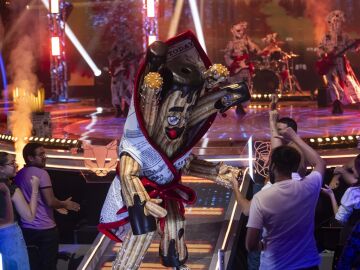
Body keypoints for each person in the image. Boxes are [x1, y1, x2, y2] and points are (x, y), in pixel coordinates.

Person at [246, 127, 325, 270]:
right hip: (308, 265)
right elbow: (319, 162)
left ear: (273, 166)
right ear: (296, 165)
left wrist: (262, 245)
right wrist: (294, 136)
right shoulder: (309, 187)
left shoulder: (261, 198)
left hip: (275, 266)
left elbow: (250, 244)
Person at [15, 143, 80, 270]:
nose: (45, 157)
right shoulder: (41, 173)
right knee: (48, 265)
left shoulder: (19, 174)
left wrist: (57, 206)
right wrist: (64, 204)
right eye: (41, 154)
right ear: (30, 158)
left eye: (44, 154)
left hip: (26, 229)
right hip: (45, 229)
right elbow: (50, 201)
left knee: (33, 264)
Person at [0, 152, 39, 270]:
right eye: (12, 163)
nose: (16, 165)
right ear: (1, 168)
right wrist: (35, 189)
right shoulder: (11, 190)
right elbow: (29, 217)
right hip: (10, 236)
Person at [317, 10, 360, 115]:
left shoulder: (345, 36)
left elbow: (352, 48)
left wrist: (356, 45)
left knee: (345, 81)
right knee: (331, 83)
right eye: (334, 22)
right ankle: (336, 102)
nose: (336, 24)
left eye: (338, 22)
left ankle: (342, 101)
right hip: (329, 62)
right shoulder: (326, 36)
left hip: (340, 61)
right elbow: (320, 48)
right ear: (330, 23)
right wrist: (323, 54)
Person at [224, 21, 260, 115]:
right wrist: (235, 65)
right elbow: (227, 57)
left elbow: (256, 51)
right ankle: (239, 106)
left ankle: (242, 106)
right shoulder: (231, 43)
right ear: (232, 30)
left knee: (246, 88)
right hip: (236, 71)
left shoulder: (247, 41)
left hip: (245, 70)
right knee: (236, 88)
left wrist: (249, 42)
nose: (240, 33)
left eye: (242, 30)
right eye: (238, 30)